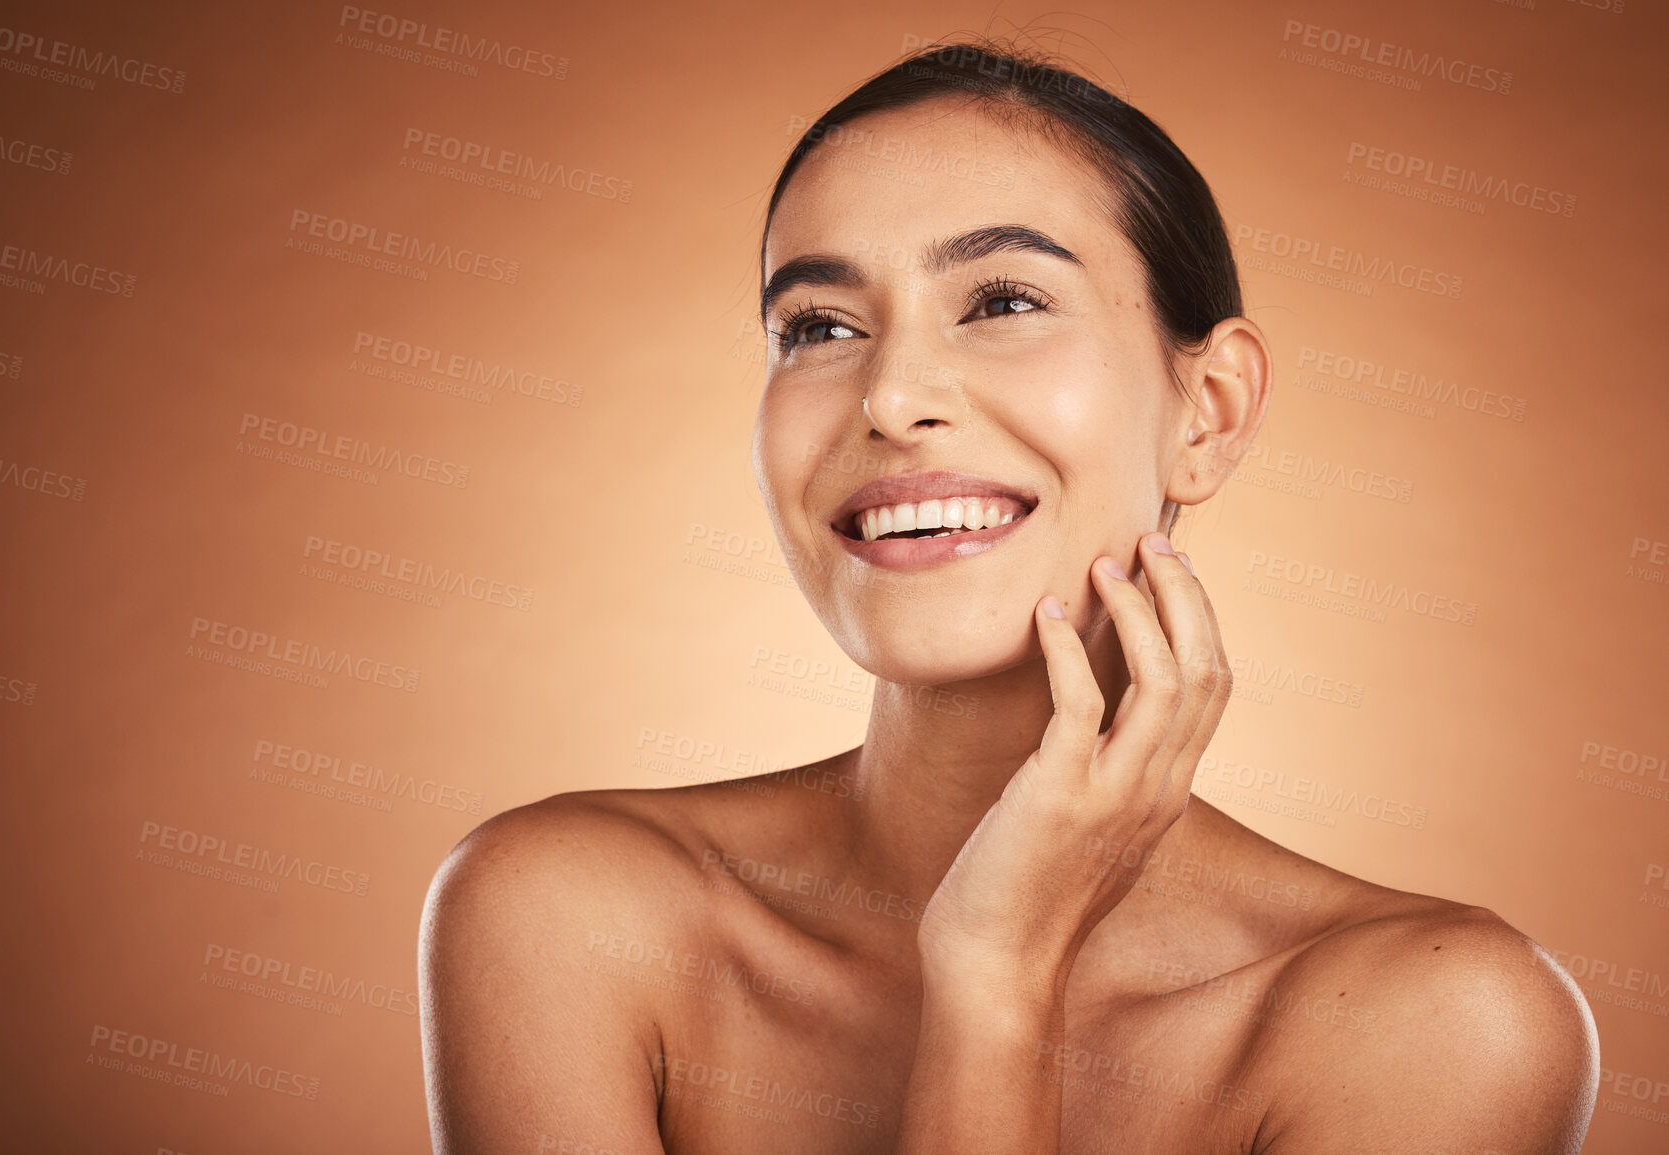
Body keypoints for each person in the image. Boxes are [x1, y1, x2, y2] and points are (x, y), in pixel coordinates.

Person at [418, 41, 1598, 1154]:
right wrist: (996, 977)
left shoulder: (1436, 1022)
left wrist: (995, 968)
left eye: (1003, 302)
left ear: (1212, 411)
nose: (892, 397)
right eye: (819, 326)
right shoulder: (564, 914)